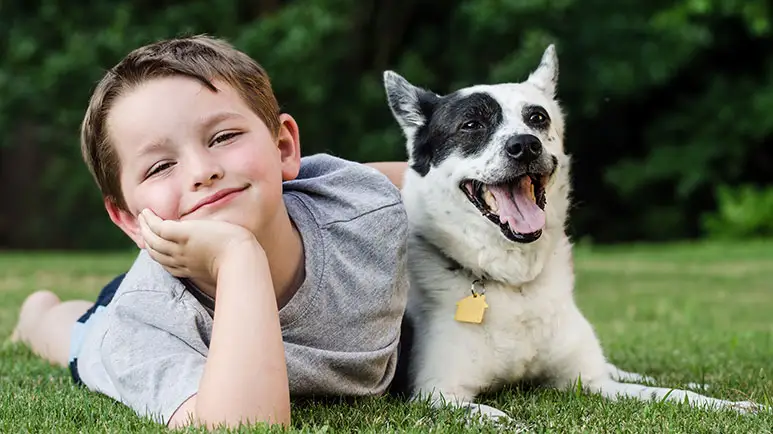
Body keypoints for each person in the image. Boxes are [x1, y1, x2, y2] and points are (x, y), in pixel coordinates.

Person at [10, 35, 410, 429]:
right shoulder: (139, 329)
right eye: (160, 166)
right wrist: (237, 256)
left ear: (284, 148)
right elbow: (244, 427)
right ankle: (36, 314)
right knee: (78, 336)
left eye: (224, 137)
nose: (203, 172)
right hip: (153, 297)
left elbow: (429, 182)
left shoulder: (360, 206)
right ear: (129, 218)